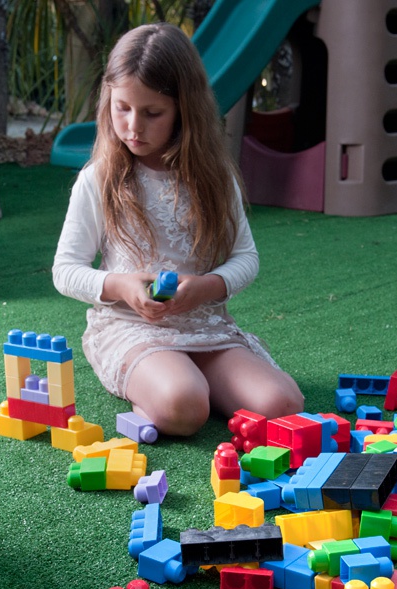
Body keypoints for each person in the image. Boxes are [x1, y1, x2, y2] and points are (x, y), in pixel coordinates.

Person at [52, 23, 305, 437]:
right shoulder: (99, 179)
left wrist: (208, 287)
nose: (134, 126)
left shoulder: (214, 176)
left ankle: (194, 380)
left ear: (184, 111)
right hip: (131, 327)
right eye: (122, 107)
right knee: (184, 406)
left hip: (203, 325)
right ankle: (164, 389)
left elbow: (246, 257)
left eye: (153, 113)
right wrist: (121, 286)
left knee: (283, 404)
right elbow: (65, 270)